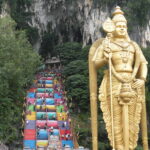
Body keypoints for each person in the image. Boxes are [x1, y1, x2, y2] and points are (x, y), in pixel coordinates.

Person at [90, 6, 148, 150]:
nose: (122, 28)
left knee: (132, 118)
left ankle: (130, 146)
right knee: (116, 118)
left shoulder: (133, 45)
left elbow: (143, 63)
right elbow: (95, 63)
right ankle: (119, 147)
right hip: (114, 82)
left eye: (124, 25)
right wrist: (105, 58)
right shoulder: (106, 44)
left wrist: (142, 78)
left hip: (132, 81)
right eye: (119, 25)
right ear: (113, 27)